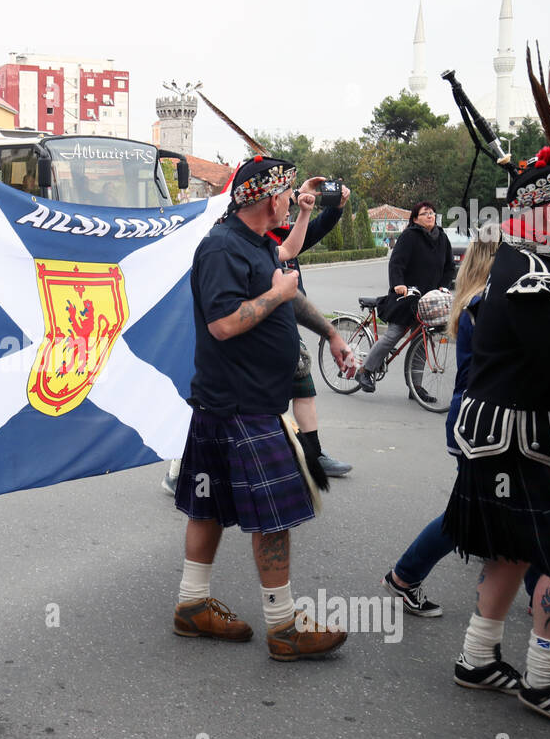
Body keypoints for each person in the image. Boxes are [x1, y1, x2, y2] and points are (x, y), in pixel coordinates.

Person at [444, 149, 550, 730]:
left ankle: (476, 658)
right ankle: (543, 682)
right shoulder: (532, 271)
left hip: (509, 433)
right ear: (544, 208)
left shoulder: (527, 257)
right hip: (528, 436)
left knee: (511, 551)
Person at [171, 156, 346, 661]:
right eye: (287, 194)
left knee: (208, 505)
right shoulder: (222, 248)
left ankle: (192, 605)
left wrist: (331, 333)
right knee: (273, 516)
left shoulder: (259, 244)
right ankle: (284, 625)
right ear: (269, 199)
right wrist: (275, 293)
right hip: (238, 403)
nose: (290, 201)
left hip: (237, 401)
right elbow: (223, 324)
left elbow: (290, 300)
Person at [380, 223, 501, 618]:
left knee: (502, 510)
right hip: (479, 420)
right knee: (467, 513)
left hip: (480, 417)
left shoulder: (481, 299)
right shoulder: (484, 303)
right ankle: (403, 577)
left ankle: (535, 586)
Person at [272, 182, 355, 479]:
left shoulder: (286, 237)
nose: (286, 212)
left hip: (288, 328)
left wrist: (336, 206)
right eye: (282, 201)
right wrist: (299, 198)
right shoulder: (250, 239)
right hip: (256, 335)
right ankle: (185, 465)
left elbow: (315, 228)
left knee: (304, 392)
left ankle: (314, 455)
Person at [356, 202, 455, 398]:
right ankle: (364, 371)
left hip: (429, 300)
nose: (430, 216)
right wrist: (398, 284)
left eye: (432, 213)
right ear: (415, 219)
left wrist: (443, 286)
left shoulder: (442, 238)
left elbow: (449, 267)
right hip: (406, 296)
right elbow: (396, 263)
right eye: (425, 213)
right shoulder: (410, 236)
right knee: (394, 333)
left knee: (424, 340)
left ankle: (415, 387)